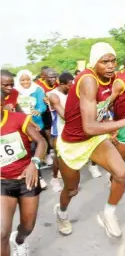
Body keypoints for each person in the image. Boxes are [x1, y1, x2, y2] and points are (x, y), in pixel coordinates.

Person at [55, 42, 125, 238]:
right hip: (73, 142)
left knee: (121, 173)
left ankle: (109, 213)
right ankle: (61, 213)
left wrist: (109, 123)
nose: (110, 65)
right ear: (94, 63)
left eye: (113, 61)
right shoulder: (88, 80)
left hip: (94, 139)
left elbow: (101, 110)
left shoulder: (111, 80)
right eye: (104, 62)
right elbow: (88, 126)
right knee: (71, 190)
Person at [0, 93, 47, 256]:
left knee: (27, 226)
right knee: (1, 233)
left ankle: (19, 241)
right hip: (3, 183)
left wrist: (34, 163)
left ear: (2, 103)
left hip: (27, 178)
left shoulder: (19, 119)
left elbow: (41, 142)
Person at [47, 72, 74, 192]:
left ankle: (70, 182)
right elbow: (64, 116)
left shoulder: (72, 93)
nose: (71, 87)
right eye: (69, 85)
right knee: (59, 159)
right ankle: (54, 179)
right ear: (62, 84)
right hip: (58, 130)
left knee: (72, 158)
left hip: (71, 129)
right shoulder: (53, 95)